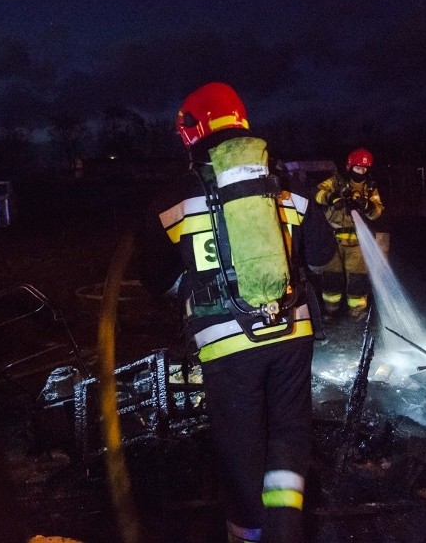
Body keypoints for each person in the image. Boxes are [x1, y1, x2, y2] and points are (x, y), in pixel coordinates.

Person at [137, 82, 335, 543]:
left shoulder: (171, 200)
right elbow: (323, 256)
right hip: (292, 333)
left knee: (239, 450)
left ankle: (248, 536)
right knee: (288, 434)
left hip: (226, 347)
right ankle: (286, 531)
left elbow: (155, 282)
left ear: (191, 132)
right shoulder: (287, 187)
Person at [314, 148, 388, 320]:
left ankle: (357, 312)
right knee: (331, 277)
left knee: (357, 279)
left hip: (358, 242)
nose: (361, 172)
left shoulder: (370, 188)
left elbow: (377, 212)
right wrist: (332, 198)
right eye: (358, 168)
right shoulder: (336, 182)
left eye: (364, 169)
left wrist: (366, 205)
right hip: (333, 240)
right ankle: (330, 311)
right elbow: (317, 193)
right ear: (350, 166)